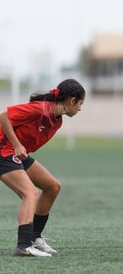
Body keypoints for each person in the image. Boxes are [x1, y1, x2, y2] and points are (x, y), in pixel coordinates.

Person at [0, 79, 85, 257]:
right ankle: (23, 246)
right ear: (72, 101)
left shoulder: (57, 120)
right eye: (80, 103)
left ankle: (35, 238)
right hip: (4, 150)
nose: (80, 108)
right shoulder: (40, 109)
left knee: (52, 186)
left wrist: (18, 148)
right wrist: (16, 145)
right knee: (30, 193)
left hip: (14, 153)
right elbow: (3, 117)